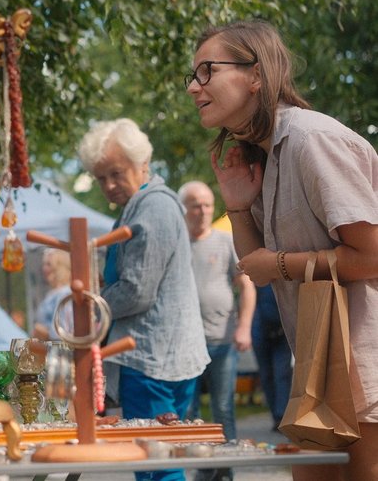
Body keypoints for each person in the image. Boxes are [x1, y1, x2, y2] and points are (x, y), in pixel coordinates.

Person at [186, 19, 378, 480]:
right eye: (192, 76)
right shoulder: (269, 154)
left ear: (256, 75)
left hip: (365, 370)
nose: (194, 87)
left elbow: (373, 255)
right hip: (320, 370)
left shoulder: (312, 140)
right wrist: (237, 207)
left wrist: (279, 263)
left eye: (207, 71)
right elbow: (260, 270)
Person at [78, 118, 209, 481]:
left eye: (116, 174)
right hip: (158, 355)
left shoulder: (153, 208)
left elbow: (137, 290)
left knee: (158, 466)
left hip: (153, 360)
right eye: (101, 177)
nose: (108, 185)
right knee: (157, 460)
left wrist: (88, 309)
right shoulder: (144, 204)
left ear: (142, 164)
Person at [180, 181, 256, 481]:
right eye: (196, 205)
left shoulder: (225, 241)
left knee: (224, 408)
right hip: (187, 345)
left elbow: (246, 285)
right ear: (184, 208)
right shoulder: (177, 243)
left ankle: (224, 471)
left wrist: (244, 327)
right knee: (190, 412)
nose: (203, 211)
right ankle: (203, 468)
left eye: (208, 204)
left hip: (222, 342)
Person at [251, 284, 292, 431]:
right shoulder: (259, 273)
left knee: (282, 374)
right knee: (266, 375)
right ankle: (276, 415)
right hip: (260, 330)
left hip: (283, 330)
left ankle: (282, 416)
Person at [31, 248, 73, 341]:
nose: (44, 268)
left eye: (48, 264)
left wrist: (41, 331)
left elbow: (62, 332)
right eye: (44, 264)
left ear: (60, 267)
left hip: (57, 351)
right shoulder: (54, 293)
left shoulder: (64, 293)